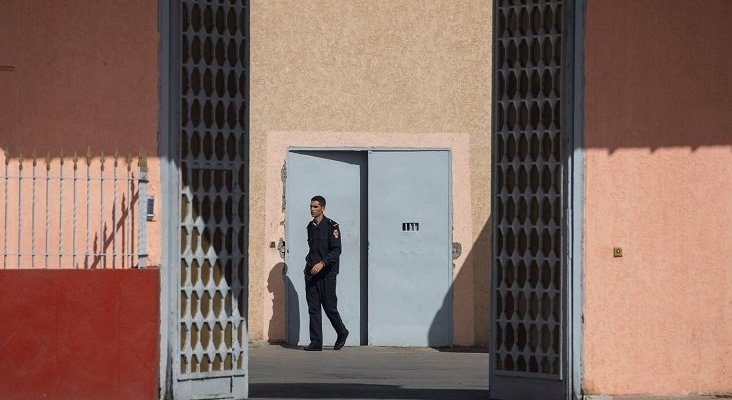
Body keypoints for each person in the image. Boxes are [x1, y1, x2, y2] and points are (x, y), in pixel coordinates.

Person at [303, 195, 349, 351]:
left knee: (329, 307)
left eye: (315, 207)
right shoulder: (310, 226)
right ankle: (316, 342)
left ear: (322, 208)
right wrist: (310, 266)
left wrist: (322, 263)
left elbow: (337, 250)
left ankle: (342, 332)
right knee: (313, 308)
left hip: (327, 273)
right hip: (311, 273)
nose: (312, 209)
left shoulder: (332, 226)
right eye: (311, 206)